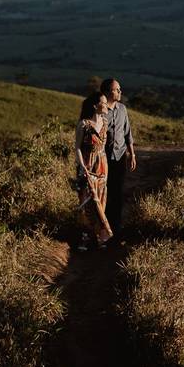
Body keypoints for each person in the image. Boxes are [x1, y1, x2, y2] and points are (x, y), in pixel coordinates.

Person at [75, 91, 113, 250]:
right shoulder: (83, 124)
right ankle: (85, 237)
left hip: (102, 166)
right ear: (95, 106)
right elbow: (77, 147)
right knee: (87, 200)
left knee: (101, 200)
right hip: (87, 166)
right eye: (104, 103)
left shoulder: (105, 122)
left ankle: (100, 238)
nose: (106, 106)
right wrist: (82, 165)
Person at [100, 78, 136, 240]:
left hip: (120, 157)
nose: (120, 92)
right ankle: (103, 229)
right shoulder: (100, 111)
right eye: (117, 89)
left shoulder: (122, 109)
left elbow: (127, 132)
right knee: (105, 194)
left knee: (118, 193)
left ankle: (117, 229)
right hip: (103, 159)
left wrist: (132, 154)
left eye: (120, 89)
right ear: (108, 92)